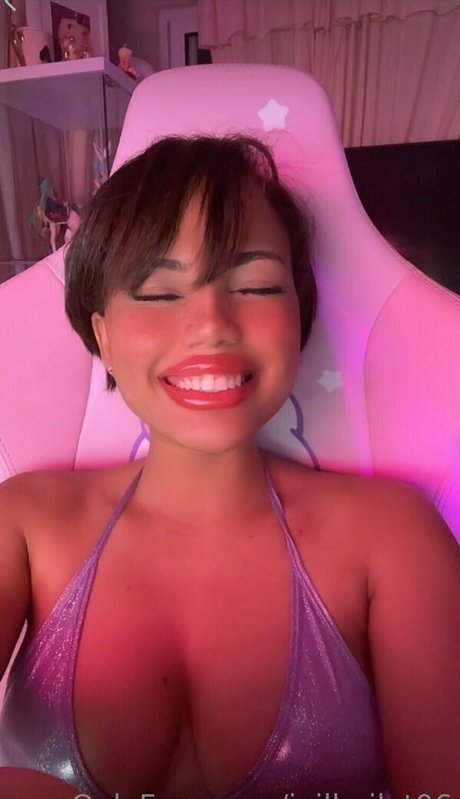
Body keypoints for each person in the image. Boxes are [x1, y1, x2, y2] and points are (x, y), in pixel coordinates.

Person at [0, 134, 458, 799]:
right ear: (102, 336)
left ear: (299, 318)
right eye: (159, 293)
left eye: (255, 285)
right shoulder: (22, 525)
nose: (212, 323)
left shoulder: (397, 541)